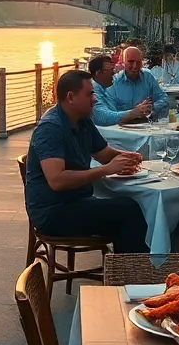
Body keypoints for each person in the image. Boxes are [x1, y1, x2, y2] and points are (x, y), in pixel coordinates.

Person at [24, 70, 149, 253]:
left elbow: (103, 153)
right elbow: (57, 180)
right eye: (89, 94)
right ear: (71, 97)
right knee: (128, 211)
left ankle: (126, 271)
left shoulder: (83, 120)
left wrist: (127, 156)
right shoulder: (50, 129)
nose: (94, 99)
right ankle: (133, 274)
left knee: (127, 213)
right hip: (53, 212)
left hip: (77, 201)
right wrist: (106, 169)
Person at [108, 46, 169, 117]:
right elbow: (109, 112)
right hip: (121, 126)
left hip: (146, 125)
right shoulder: (115, 82)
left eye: (138, 62)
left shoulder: (148, 77)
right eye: (131, 62)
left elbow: (164, 98)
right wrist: (134, 112)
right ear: (123, 62)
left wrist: (151, 107)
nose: (135, 66)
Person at [88, 56, 150, 126]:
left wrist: (137, 109)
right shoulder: (92, 92)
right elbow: (102, 117)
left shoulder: (103, 90)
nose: (114, 74)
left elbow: (115, 111)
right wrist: (134, 112)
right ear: (99, 73)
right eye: (111, 71)